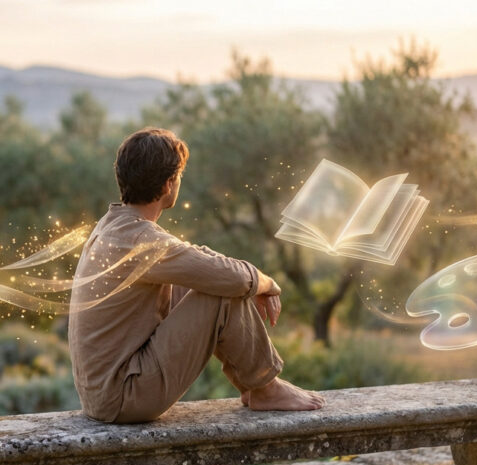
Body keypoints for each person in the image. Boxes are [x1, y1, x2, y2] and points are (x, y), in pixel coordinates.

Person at [68, 127, 325, 423]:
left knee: (208, 280)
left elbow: (196, 257)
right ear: (168, 185)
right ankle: (265, 388)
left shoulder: (115, 226)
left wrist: (250, 280)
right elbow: (232, 280)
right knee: (221, 293)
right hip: (125, 397)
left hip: (105, 394)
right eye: (179, 176)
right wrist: (266, 283)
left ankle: (252, 386)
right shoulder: (142, 241)